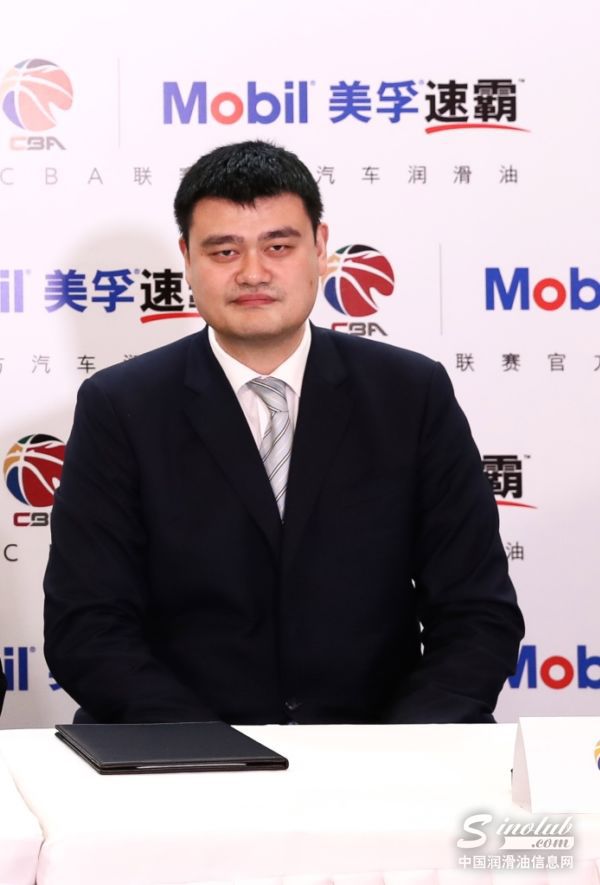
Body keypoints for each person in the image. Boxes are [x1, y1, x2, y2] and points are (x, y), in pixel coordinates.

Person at [44, 140, 524, 725]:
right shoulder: (121, 406)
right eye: (224, 250)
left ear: (320, 248)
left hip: (382, 747)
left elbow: (477, 614)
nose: (253, 273)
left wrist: (400, 751)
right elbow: (86, 626)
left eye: (278, 246)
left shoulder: (411, 394)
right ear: (187, 259)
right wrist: (211, 751)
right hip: (180, 749)